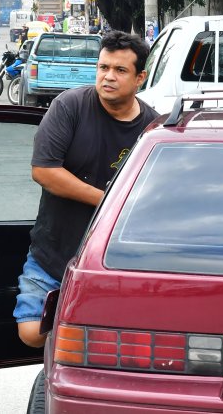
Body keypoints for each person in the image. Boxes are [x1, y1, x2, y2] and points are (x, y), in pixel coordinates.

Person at [15, 31, 159, 348]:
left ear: (140, 78)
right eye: (103, 67)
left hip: (117, 261)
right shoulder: (69, 107)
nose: (108, 77)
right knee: (31, 333)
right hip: (54, 253)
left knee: (109, 338)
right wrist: (108, 202)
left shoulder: (153, 127)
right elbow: (44, 170)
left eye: (120, 70)